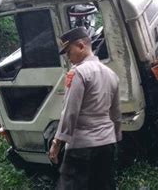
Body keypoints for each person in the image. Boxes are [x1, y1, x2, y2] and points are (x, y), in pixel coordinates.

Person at [49, 27, 122, 190]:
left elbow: (70, 111)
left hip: (82, 147)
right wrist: (115, 137)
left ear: (81, 46)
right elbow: (116, 113)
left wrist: (57, 143)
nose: (69, 58)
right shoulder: (111, 74)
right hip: (106, 144)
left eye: (69, 52)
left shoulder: (78, 73)